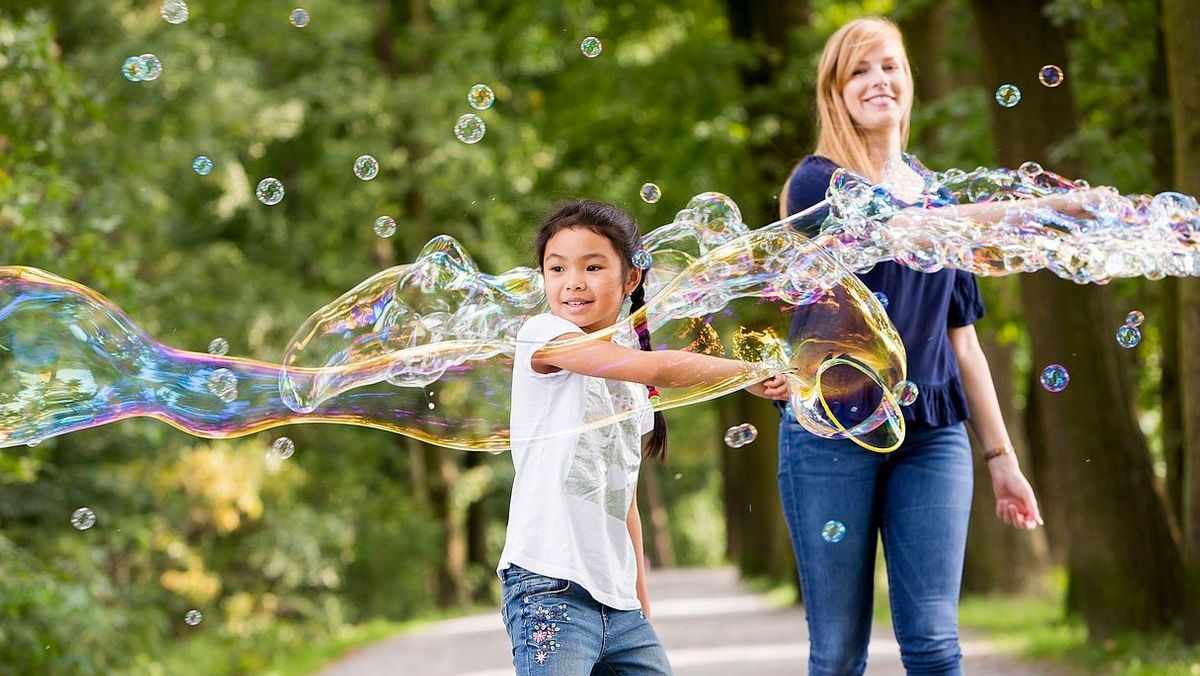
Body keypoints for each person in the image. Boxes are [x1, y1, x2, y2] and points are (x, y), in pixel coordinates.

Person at [776, 17, 1052, 676]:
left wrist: (1001, 457)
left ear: (908, 80)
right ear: (835, 92)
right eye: (859, 71)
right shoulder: (816, 186)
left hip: (933, 434)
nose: (878, 81)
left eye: (889, 66)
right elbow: (899, 230)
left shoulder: (939, 195)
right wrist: (1022, 212)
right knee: (840, 651)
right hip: (831, 435)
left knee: (933, 642)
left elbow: (965, 344)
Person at [498, 199, 788, 675]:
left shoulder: (633, 387)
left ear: (631, 278)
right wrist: (742, 373)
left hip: (620, 604)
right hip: (549, 587)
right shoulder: (544, 335)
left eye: (593, 267)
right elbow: (656, 366)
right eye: (557, 268)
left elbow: (624, 500)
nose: (573, 281)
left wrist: (640, 604)